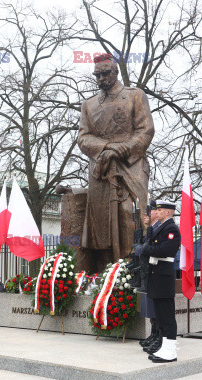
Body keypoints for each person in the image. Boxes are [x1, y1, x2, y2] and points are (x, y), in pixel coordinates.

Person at [78, 53, 155, 263]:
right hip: (101, 166)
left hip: (131, 164)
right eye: (97, 75)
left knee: (128, 212)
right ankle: (106, 269)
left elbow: (145, 130)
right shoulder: (89, 104)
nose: (101, 78)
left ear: (115, 72)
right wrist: (107, 148)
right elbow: (83, 137)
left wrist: (121, 149)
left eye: (105, 73)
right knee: (101, 221)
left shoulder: (135, 95)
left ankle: (133, 263)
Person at [141, 199, 181, 363]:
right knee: (161, 316)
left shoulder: (171, 228)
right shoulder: (162, 227)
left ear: (168, 212)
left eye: (160, 209)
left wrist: (145, 249)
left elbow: (167, 250)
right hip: (157, 277)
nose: (157, 211)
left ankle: (171, 350)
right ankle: (165, 347)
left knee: (167, 316)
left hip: (163, 278)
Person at [137, 200, 161, 353]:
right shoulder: (150, 230)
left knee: (156, 308)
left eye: (148, 213)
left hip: (156, 273)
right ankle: (154, 334)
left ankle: (159, 336)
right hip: (147, 272)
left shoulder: (159, 229)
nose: (145, 216)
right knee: (150, 307)